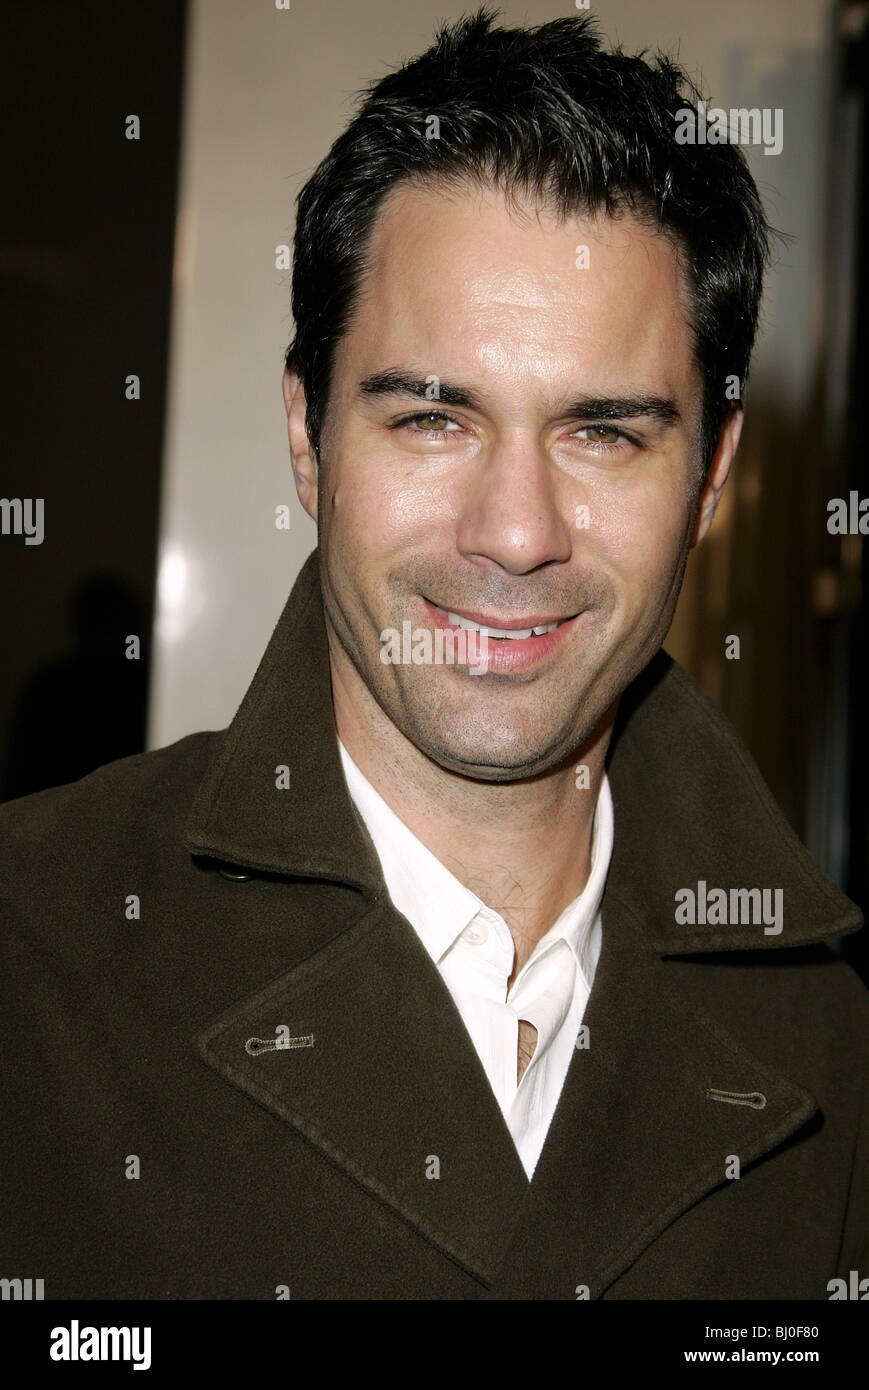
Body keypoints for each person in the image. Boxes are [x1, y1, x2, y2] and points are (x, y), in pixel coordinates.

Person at [2, 7, 866, 1301]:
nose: (514, 533)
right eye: (431, 417)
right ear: (307, 435)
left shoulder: (836, 1036)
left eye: (603, 434)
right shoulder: (32, 953)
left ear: (711, 478)